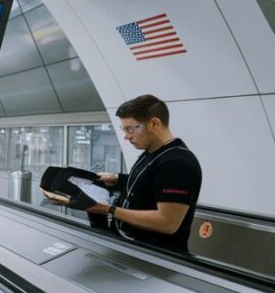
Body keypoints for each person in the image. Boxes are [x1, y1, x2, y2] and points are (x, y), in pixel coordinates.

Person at [64, 94, 202, 253]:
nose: (126, 136)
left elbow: (167, 223)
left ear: (154, 124)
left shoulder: (177, 163)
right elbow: (152, 183)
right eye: (124, 129)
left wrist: (109, 210)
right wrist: (116, 179)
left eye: (130, 128)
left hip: (156, 256)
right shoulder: (152, 153)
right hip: (132, 244)